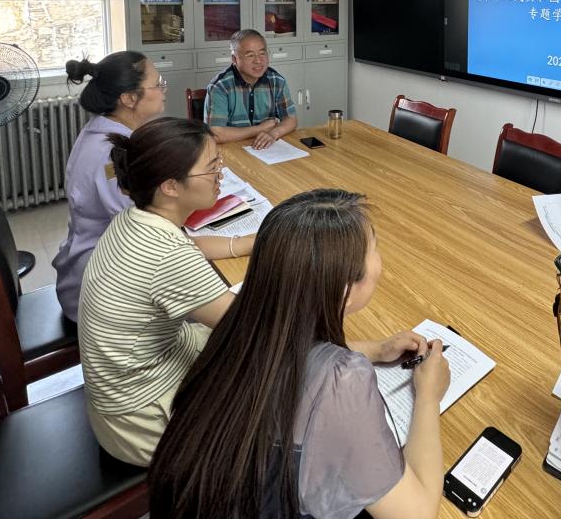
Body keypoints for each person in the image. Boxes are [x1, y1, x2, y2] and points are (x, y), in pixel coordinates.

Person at [149, 189, 450, 519]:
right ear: (346, 290)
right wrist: (428, 396)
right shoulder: (342, 382)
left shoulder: (241, 325)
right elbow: (416, 513)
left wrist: (376, 349)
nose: (380, 260)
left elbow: (294, 356)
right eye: (375, 249)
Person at [79, 116, 238, 466]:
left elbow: (190, 249)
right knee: (273, 380)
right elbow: (253, 328)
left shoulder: (134, 219)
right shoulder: (168, 256)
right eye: (212, 167)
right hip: (141, 422)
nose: (221, 174)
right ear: (170, 186)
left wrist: (247, 242)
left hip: (123, 391)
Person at [54, 53, 253, 322]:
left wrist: (239, 243)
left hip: (106, 269)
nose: (164, 89)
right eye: (158, 83)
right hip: (102, 291)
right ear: (129, 98)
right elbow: (154, 239)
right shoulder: (110, 156)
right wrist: (238, 244)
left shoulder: (107, 133)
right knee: (229, 297)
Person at [206, 28, 298, 148]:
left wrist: (273, 133)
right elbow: (216, 134)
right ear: (234, 59)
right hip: (231, 150)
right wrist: (259, 129)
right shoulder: (220, 87)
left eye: (262, 53)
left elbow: (291, 119)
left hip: (267, 149)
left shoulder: (276, 81)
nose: (258, 60)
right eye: (250, 55)